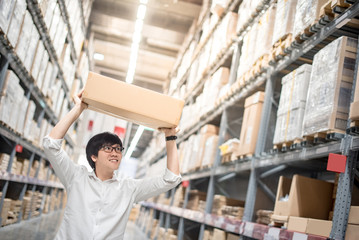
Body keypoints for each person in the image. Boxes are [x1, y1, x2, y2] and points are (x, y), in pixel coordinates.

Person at [43, 90, 182, 240]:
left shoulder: (129, 188)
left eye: (118, 149)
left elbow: (171, 179)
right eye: (108, 148)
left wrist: (170, 137)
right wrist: (78, 109)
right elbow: (50, 145)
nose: (115, 153)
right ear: (94, 156)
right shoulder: (75, 177)